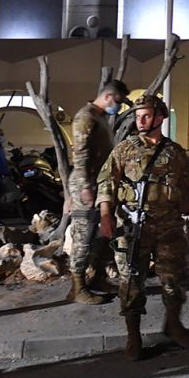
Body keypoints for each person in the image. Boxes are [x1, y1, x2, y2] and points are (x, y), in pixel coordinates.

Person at [97, 94, 189, 361]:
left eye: (145, 116)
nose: (140, 121)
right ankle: (133, 336)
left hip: (169, 227)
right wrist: (106, 215)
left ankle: (173, 325)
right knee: (131, 282)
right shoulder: (125, 149)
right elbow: (107, 182)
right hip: (134, 226)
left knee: (175, 279)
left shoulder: (175, 152)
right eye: (137, 116)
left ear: (159, 117)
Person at [66, 79, 129, 305]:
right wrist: (85, 188)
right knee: (82, 238)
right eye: (118, 102)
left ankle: (97, 277)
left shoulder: (99, 117)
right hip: (88, 185)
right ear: (108, 97)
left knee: (103, 235)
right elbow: (80, 157)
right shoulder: (86, 118)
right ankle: (78, 288)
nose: (119, 107)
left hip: (100, 184)